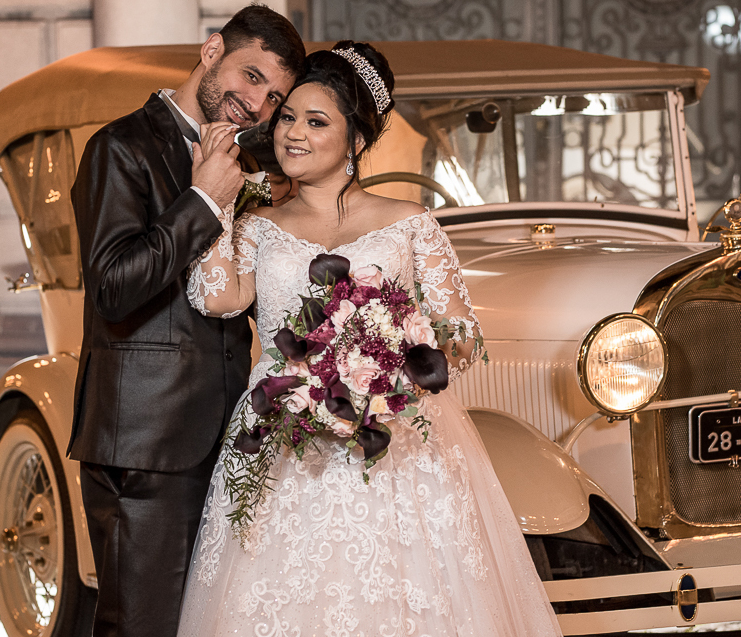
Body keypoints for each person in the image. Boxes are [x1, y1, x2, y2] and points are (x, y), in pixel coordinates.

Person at [180, 41, 562, 636]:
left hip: (400, 442)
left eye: (315, 122)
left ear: (355, 140)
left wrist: (397, 354)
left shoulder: (408, 221)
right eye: (286, 119)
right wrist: (217, 206)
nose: (292, 135)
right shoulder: (257, 227)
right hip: (285, 436)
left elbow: (460, 331)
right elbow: (216, 297)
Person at [67, 4, 305, 637]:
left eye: (274, 95)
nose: (257, 104)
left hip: (230, 441)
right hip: (145, 444)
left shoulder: (252, 169)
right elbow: (113, 287)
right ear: (210, 51)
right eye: (250, 76)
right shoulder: (119, 147)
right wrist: (202, 203)